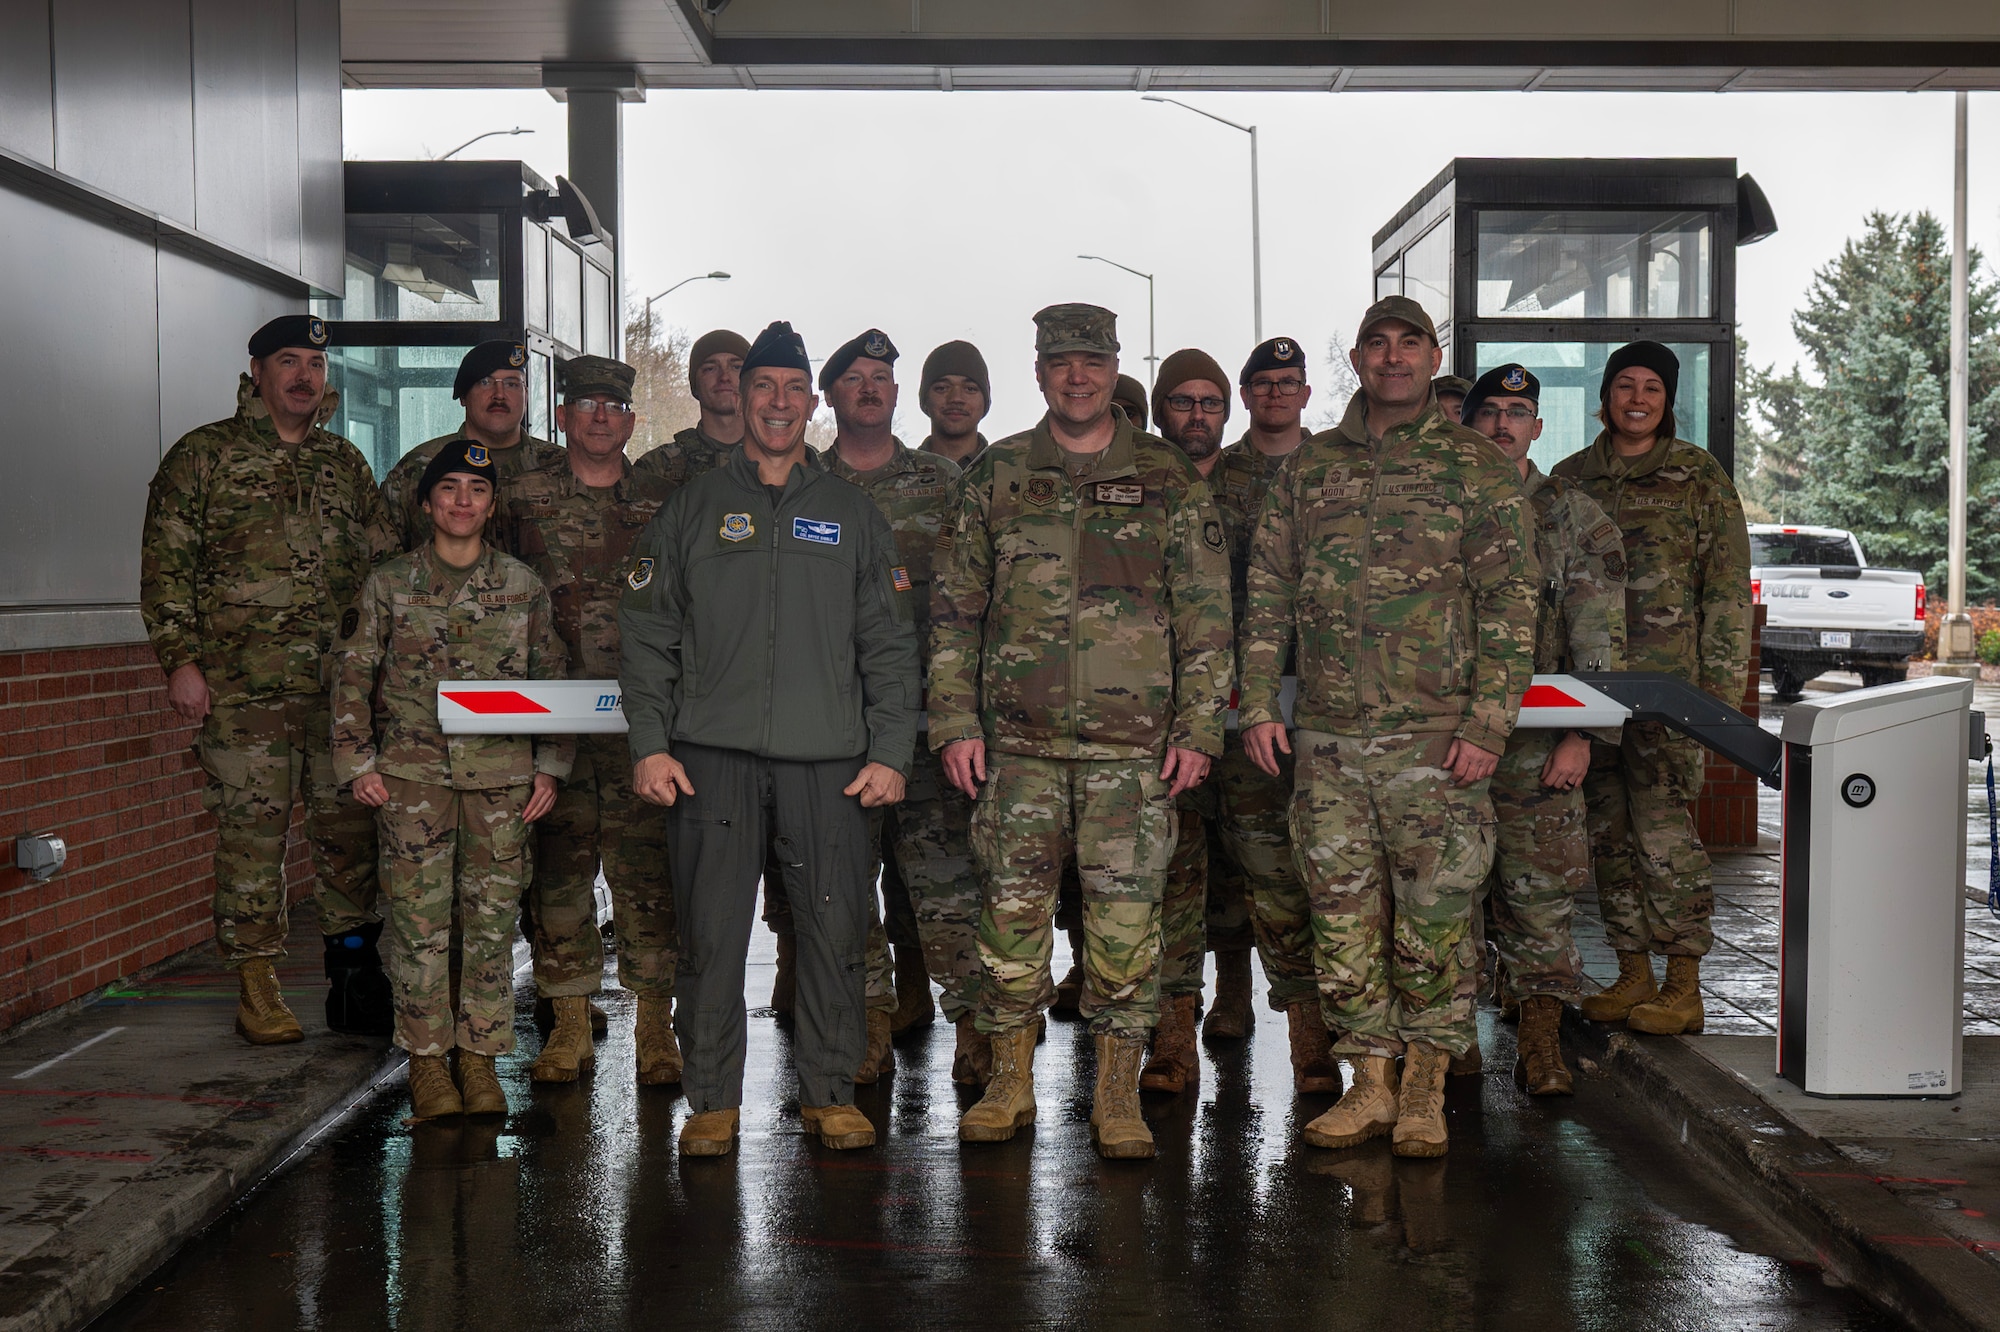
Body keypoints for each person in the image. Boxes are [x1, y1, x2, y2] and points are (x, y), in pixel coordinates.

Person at [932, 303, 1233, 1159]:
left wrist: (1199, 729)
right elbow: (956, 616)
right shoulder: (995, 477)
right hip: (1017, 754)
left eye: (1091, 363)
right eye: (1061, 362)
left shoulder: (1169, 479)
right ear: (1038, 373)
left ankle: (1117, 1095)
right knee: (1010, 925)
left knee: (1128, 932)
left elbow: (1207, 619)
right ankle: (1009, 1081)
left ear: (1111, 370)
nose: (1077, 376)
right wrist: (956, 721)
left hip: (1130, 756)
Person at [1240, 295, 1538, 1159]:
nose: (1394, 358)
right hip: (1329, 741)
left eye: (1411, 344)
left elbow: (1511, 604)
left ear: (1430, 354)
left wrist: (1488, 722)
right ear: (1360, 360)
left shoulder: (1475, 468)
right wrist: (1258, 701)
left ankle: (1423, 1090)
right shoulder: (1309, 469)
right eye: (1378, 343)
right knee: (1340, 917)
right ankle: (1368, 1081)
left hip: (1437, 739)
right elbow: (1267, 592)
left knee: (1437, 918)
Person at [620, 321, 919, 1157]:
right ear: (740, 398)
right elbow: (646, 634)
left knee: (833, 930)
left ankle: (829, 1092)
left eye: (793, 389)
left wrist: (891, 752)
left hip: (829, 763)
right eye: (763, 387)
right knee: (710, 934)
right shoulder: (692, 509)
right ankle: (712, 1100)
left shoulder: (851, 515)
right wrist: (650, 744)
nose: (778, 403)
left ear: (810, 402)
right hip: (709, 759)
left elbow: (890, 643)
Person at [140, 314, 394, 1046]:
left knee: (348, 837)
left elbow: (380, 570)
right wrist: (179, 661)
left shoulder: (344, 465)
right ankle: (257, 983)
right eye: (287, 362)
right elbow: (166, 566)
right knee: (252, 841)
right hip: (241, 693)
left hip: (337, 697)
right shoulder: (203, 458)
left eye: (314, 364)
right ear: (256, 372)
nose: (303, 377)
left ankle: (352, 979)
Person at [331, 439, 573, 1120]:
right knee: (417, 926)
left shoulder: (521, 587)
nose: (462, 502)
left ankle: (481, 1059)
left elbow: (551, 680)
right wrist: (357, 763)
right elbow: (352, 675)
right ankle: (429, 1065)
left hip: (501, 784)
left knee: (492, 925)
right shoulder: (388, 584)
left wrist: (552, 767)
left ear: (492, 506)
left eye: (475, 490)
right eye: (449, 490)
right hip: (412, 781)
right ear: (426, 501)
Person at [1553, 342, 1752, 1037]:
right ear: (1604, 397)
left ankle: (1683, 982)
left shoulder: (1697, 476)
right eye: (1624, 386)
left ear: (1667, 402)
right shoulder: (1569, 479)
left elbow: (1725, 593)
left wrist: (1720, 699)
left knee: (1665, 834)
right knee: (1606, 832)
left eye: (1652, 390)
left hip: (1673, 694)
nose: (1637, 399)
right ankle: (1631, 971)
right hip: (1592, 689)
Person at [509, 355, 683, 1086]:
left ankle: (655, 1027)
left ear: (632, 422)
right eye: (586, 404)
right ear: (562, 418)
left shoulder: (663, 505)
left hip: (642, 726)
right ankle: (570, 1024)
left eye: (614, 405)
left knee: (648, 880)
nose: (601, 416)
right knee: (559, 878)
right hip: (556, 728)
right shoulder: (521, 503)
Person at [821, 329, 988, 1085]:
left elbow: (977, 598)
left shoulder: (944, 482)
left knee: (947, 888)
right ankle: (867, 1028)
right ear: (832, 395)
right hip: (829, 727)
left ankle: (974, 1031)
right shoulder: (802, 485)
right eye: (853, 378)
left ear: (897, 394)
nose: (869, 388)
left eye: (881, 377)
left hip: (928, 727)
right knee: (846, 890)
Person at [1463, 364, 1627, 1094]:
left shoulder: (1572, 514)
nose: (1503, 422)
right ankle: (1451, 1045)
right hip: (1450, 739)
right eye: (1490, 410)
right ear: (1466, 424)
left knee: (1540, 898)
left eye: (1518, 411)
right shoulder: (1440, 504)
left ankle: (1540, 1045)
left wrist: (1582, 735)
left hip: (1539, 745)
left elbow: (1598, 632)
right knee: (1445, 898)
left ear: (1537, 425)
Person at [1214, 335, 1337, 1092]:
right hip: (1245, 711)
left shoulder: (1335, 468)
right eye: (1264, 382)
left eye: (1290, 382)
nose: (1278, 393)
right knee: (1265, 872)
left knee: (1336, 876)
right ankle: (1305, 1035)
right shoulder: (1215, 476)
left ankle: (1352, 1025)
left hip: (1330, 709)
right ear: (1248, 393)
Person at [1140, 346, 1243, 1094]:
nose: (1197, 415)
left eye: (1211, 402)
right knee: (1170, 880)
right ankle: (1171, 1042)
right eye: (1184, 401)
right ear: (1161, 409)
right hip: (1154, 726)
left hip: (1254, 724)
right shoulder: (1132, 480)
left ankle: (1301, 1045)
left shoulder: (1260, 483)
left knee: (1264, 878)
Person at [379, 340, 565, 550]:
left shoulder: (560, 466)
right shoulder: (418, 468)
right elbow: (383, 560)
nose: (500, 394)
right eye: (485, 382)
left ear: (526, 395)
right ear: (463, 396)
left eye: (512, 384)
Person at [632, 328, 749, 487]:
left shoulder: (777, 460)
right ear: (694, 385)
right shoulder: (658, 467)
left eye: (736, 367)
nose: (724, 377)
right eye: (710, 368)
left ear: (752, 382)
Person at [918, 340, 993, 468]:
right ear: (925, 400)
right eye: (942, 388)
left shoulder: (1008, 471)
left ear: (985, 403)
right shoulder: (896, 476)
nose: (956, 398)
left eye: (970, 389)